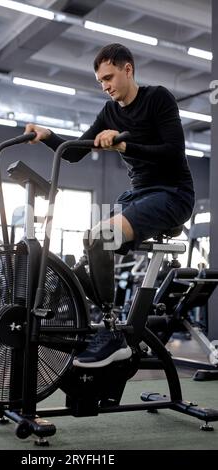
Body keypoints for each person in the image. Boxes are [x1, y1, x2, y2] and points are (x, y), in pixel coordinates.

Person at [24, 43, 195, 368]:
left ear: (127, 69)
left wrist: (125, 144)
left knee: (101, 237)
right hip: (139, 195)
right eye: (100, 81)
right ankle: (112, 327)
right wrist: (47, 135)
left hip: (173, 193)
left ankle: (114, 335)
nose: (105, 85)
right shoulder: (109, 111)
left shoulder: (158, 98)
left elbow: (173, 151)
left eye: (109, 77)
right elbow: (74, 152)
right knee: (90, 245)